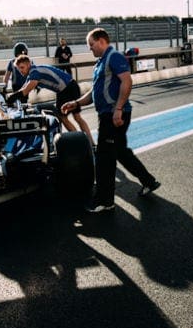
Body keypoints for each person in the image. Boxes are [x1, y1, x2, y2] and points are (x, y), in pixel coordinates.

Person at [61, 27, 160, 212]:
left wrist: (118, 109)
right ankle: (149, 181)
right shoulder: (100, 63)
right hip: (109, 114)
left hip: (113, 115)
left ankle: (104, 201)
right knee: (120, 151)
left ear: (101, 41)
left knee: (104, 157)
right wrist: (75, 103)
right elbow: (94, 93)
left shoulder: (114, 56)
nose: (90, 49)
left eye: (91, 45)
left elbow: (127, 81)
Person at [6, 54, 93, 142]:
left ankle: (80, 141)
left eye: (22, 67)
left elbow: (26, 90)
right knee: (75, 117)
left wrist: (10, 98)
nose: (20, 71)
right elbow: (23, 89)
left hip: (67, 89)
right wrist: (13, 96)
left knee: (64, 117)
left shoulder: (35, 72)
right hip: (68, 87)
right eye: (18, 69)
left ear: (28, 64)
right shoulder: (33, 71)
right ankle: (89, 142)